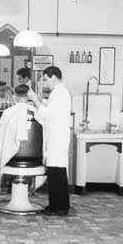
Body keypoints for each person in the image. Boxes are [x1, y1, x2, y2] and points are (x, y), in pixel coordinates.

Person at [27, 66, 72, 216]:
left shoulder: (60, 93)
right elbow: (50, 107)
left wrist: (35, 101)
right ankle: (58, 205)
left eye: (46, 79)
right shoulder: (59, 92)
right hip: (57, 136)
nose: (45, 83)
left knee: (57, 171)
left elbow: (48, 114)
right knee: (56, 171)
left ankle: (58, 207)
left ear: (54, 77)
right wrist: (39, 100)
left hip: (57, 137)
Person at [0, 84, 38, 202]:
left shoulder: (9, 112)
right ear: (29, 96)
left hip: (12, 157)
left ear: (14, 96)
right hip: (34, 157)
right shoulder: (35, 111)